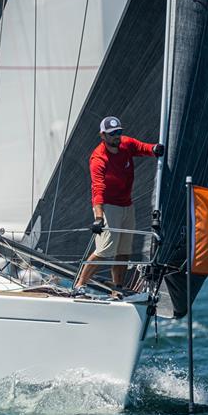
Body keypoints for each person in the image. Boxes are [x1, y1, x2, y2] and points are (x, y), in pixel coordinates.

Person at [74, 116, 164, 292]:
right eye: (112, 133)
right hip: (108, 208)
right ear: (103, 135)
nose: (117, 136)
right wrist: (99, 218)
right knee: (104, 250)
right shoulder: (98, 158)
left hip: (126, 206)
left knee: (123, 252)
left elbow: (141, 147)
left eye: (119, 132)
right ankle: (80, 285)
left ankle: (118, 289)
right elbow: (97, 189)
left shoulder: (126, 144)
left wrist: (154, 149)